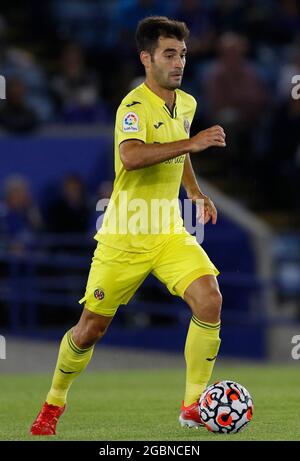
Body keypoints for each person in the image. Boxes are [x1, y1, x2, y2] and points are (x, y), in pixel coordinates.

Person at [30, 16, 226, 436]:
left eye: (184, 55)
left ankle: (192, 405)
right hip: (124, 236)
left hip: (168, 231)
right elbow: (133, 157)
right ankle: (53, 403)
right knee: (89, 330)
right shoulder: (132, 106)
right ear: (146, 58)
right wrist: (191, 143)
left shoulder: (186, 103)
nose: (179, 63)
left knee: (210, 298)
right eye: (169, 54)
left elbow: (180, 152)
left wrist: (194, 192)